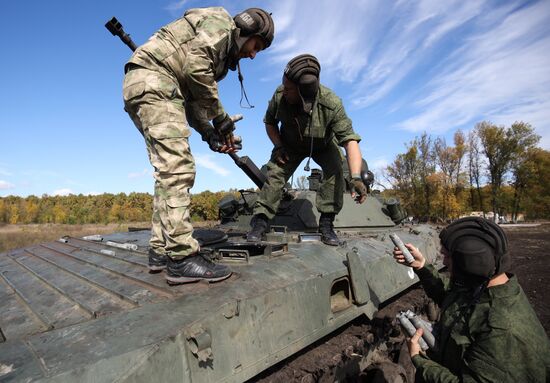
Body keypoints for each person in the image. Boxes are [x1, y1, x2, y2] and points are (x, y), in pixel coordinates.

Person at [122, 7, 274, 284]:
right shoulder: (220, 24)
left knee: (166, 175)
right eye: (256, 46)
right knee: (178, 169)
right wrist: (220, 118)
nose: (253, 54)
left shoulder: (215, 46)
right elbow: (195, 70)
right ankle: (181, 258)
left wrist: (210, 133)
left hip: (149, 85)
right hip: (156, 82)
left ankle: (160, 249)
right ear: (246, 32)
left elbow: (193, 101)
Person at [393, 217, 550, 382]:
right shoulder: (488, 288)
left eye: (447, 256)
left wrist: (419, 360)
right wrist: (421, 267)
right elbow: (454, 298)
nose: (444, 262)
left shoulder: (500, 329)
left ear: (470, 264)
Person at [246, 54, 368, 246]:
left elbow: (350, 141)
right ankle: (260, 223)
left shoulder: (331, 103)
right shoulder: (280, 96)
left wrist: (356, 178)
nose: (283, 91)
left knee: (336, 170)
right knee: (275, 173)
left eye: (288, 89)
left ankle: (327, 224)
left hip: (324, 145)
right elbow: (270, 122)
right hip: (289, 145)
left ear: (304, 93)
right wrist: (278, 146)